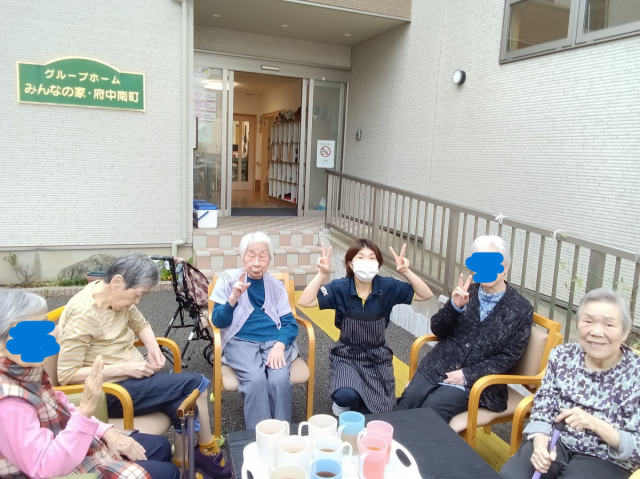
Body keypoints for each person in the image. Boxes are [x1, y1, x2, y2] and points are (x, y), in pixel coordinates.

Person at [56, 253, 230, 479]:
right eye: (137, 295)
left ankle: (183, 465)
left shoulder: (115, 296)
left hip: (132, 380)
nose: (137, 301)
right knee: (195, 383)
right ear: (117, 282)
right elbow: (67, 375)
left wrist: (153, 347)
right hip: (109, 392)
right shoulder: (83, 314)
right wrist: (126, 369)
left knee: (182, 403)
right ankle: (207, 452)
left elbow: (141, 324)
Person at [0, 289, 180, 479]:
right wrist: (86, 409)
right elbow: (43, 467)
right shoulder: (10, 403)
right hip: (64, 466)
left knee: (160, 446)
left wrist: (106, 432)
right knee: (169, 472)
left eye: (44, 325)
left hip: (71, 442)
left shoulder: (26, 371)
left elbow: (62, 407)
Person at [500, 288, 640, 479]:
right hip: (557, 440)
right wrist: (540, 442)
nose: (596, 332)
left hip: (606, 458)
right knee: (511, 476)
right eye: (588, 321)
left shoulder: (636, 373)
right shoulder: (562, 355)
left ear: (624, 333)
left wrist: (595, 424)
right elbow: (543, 405)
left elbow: (637, 447)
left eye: (608, 324)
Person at [397, 235, 533, 424]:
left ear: (506, 267)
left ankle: (421, 444)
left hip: (479, 381)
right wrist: (454, 307)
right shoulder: (467, 291)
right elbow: (437, 328)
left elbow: (509, 357)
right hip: (439, 365)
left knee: (433, 409)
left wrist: (467, 375)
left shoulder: (521, 309)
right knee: (408, 402)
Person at [298, 238, 434, 415]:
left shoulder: (388, 286)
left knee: (383, 411)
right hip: (347, 354)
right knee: (345, 395)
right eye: (360, 257)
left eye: (372, 258)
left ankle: (362, 397)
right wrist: (321, 274)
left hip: (377, 356)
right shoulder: (340, 287)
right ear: (351, 264)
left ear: (378, 264)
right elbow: (305, 301)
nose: (367, 262)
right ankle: (344, 401)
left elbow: (426, 294)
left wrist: (406, 271)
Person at [209, 232, 299, 430]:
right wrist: (233, 299)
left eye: (263, 256)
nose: (257, 263)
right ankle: (259, 437)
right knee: (256, 380)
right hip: (239, 341)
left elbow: (290, 323)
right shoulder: (227, 280)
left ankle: (282, 433)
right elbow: (218, 321)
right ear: (242, 257)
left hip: (274, 342)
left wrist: (280, 345)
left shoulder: (276, 286)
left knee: (279, 380)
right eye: (251, 255)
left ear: (270, 258)